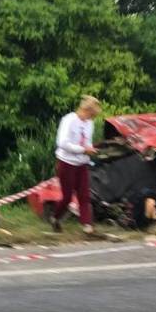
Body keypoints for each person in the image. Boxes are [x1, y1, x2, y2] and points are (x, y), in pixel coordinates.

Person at [50, 95, 101, 234]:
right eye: (91, 115)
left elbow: (87, 141)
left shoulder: (90, 123)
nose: (92, 118)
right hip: (67, 163)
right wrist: (83, 149)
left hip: (82, 163)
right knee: (67, 197)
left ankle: (87, 225)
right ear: (86, 110)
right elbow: (62, 143)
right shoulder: (68, 120)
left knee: (84, 195)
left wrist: (90, 149)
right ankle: (55, 218)